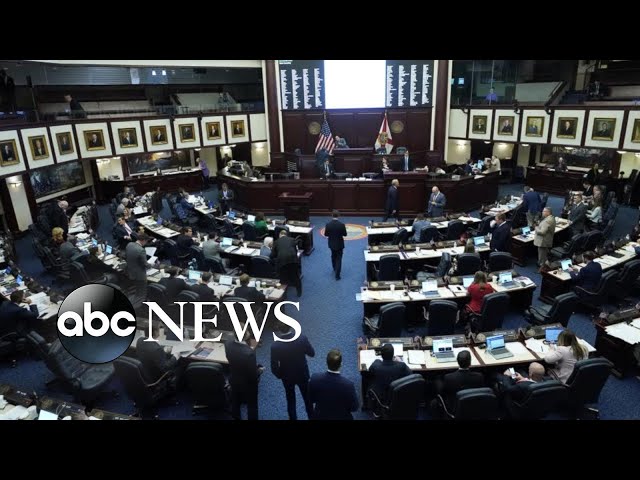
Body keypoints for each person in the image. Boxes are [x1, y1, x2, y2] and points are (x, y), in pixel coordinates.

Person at [270, 324, 316, 420]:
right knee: (307, 399)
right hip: (302, 374)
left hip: (287, 377)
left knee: (290, 400)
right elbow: (312, 353)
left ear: (278, 329)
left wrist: (280, 375)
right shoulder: (302, 338)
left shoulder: (275, 346)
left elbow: (274, 367)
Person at [308, 349, 359, 420]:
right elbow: (354, 408)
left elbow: (311, 399)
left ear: (326, 363)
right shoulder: (348, 385)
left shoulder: (314, 379)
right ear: (341, 364)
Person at [224, 329, 262, 420]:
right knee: (252, 405)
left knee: (235, 402)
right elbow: (252, 375)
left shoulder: (227, 344)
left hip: (234, 379)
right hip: (248, 385)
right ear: (246, 335)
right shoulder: (249, 353)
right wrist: (259, 371)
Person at [432, 350, 484, 416]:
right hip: (474, 406)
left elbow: (443, 392)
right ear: (470, 362)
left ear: (457, 361)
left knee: (437, 380)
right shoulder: (479, 377)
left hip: (455, 408)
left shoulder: (449, 378)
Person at [271, 230, 302, 296]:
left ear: (280, 235)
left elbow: (273, 255)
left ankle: (283, 293)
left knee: (282, 276)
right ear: (286, 235)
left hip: (282, 261)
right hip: (293, 259)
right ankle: (299, 292)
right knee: (295, 276)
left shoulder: (276, 242)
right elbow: (296, 251)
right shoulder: (292, 239)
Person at [324, 210, 347, 280]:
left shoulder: (328, 225)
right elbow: (345, 234)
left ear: (332, 215)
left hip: (331, 244)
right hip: (339, 244)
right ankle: (337, 275)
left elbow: (326, 234)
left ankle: (334, 268)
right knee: (339, 259)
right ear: (338, 215)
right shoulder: (342, 225)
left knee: (333, 256)